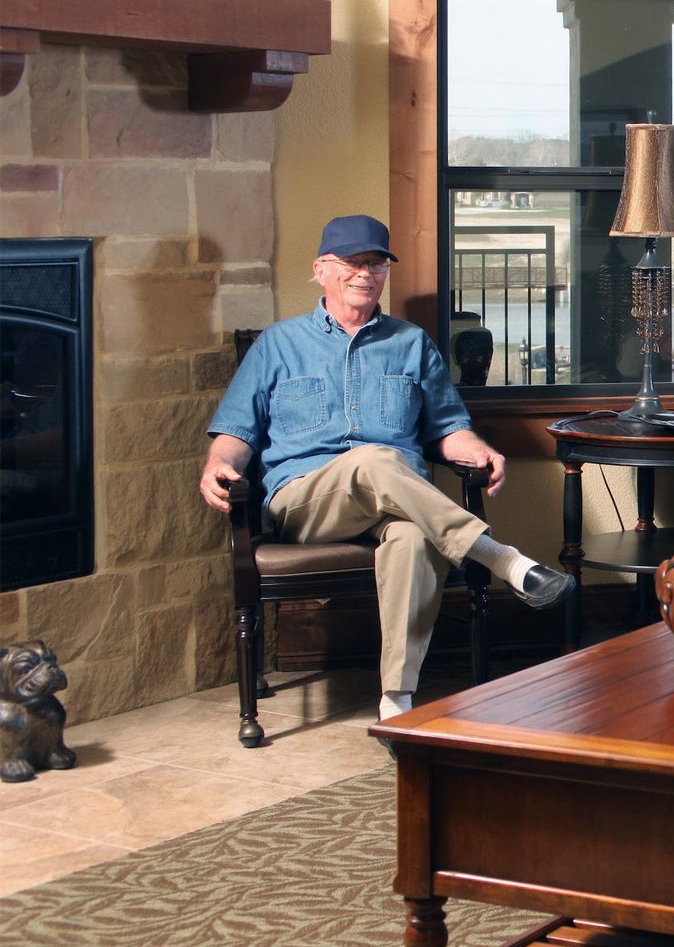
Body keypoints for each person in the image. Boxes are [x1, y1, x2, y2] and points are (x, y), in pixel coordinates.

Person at [200, 214, 574, 722]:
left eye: (376, 263)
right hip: (308, 500)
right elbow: (236, 433)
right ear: (321, 270)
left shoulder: (411, 344)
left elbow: (447, 427)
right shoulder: (278, 345)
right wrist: (217, 465)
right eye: (353, 263)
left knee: (414, 539)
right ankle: (499, 557)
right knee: (375, 459)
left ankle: (396, 701)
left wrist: (477, 449)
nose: (365, 274)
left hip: (396, 500)